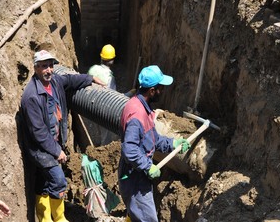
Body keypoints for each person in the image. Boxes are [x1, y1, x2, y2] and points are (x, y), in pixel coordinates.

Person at [21, 49, 105, 222]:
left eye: (51, 65)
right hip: (40, 149)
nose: (49, 70)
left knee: (44, 184)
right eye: (44, 66)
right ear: (36, 68)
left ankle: (44, 219)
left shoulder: (55, 82)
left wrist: (90, 79)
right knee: (59, 181)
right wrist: (56, 151)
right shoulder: (31, 96)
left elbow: (69, 80)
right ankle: (59, 218)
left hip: (53, 143)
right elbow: (38, 132)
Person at [118, 65, 191, 222]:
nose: (162, 91)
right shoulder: (137, 114)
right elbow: (129, 149)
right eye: (160, 88)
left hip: (137, 174)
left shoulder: (142, 108)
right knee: (147, 218)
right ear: (152, 91)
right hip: (134, 177)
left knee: (138, 216)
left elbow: (152, 139)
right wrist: (147, 165)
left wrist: (173, 143)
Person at [87, 44, 119, 145]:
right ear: (112, 59)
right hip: (104, 110)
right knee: (105, 138)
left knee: (93, 134)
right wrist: (129, 93)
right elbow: (113, 97)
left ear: (101, 57)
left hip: (88, 106)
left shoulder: (93, 69)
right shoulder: (110, 77)